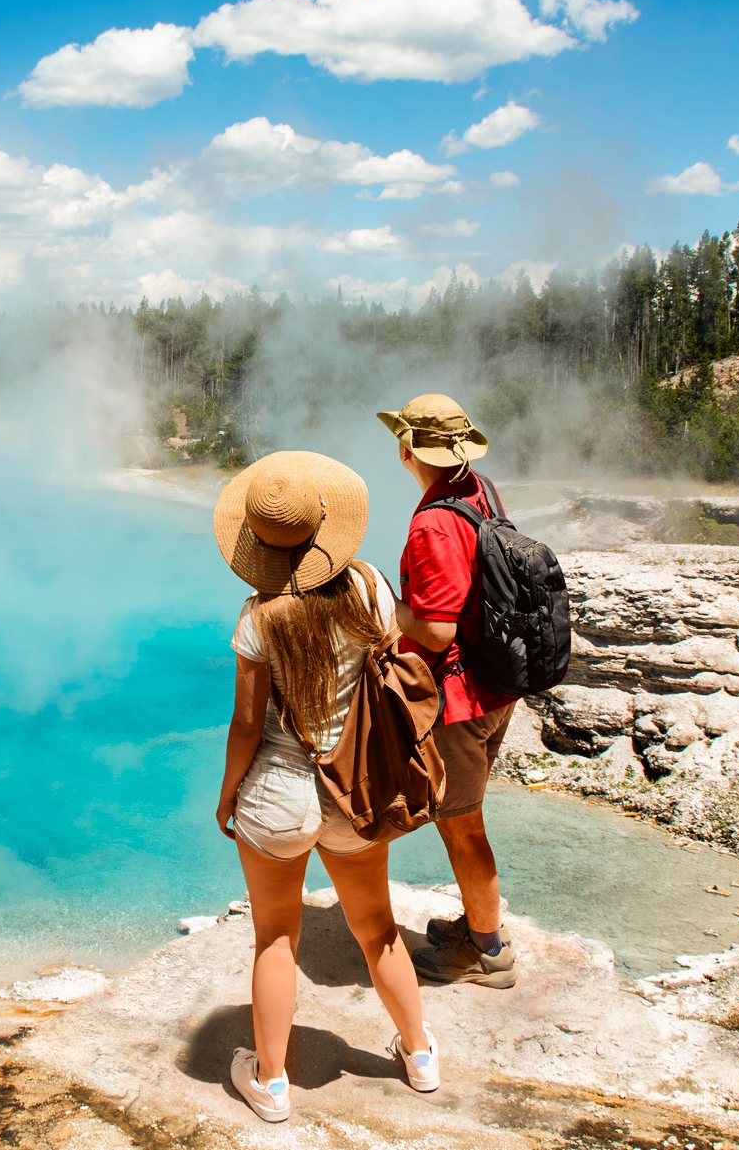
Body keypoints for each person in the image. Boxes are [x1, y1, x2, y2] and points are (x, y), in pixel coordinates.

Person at [211, 450, 441, 1123]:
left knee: (275, 937)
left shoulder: (258, 618)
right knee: (377, 928)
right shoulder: (368, 586)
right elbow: (390, 661)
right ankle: (420, 1053)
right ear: (324, 530)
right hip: (356, 788)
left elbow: (246, 726)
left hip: (277, 797)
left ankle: (272, 1082)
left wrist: (228, 795)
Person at [376, 394, 520, 989]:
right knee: (464, 819)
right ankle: (477, 925)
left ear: (407, 449)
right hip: (497, 682)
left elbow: (435, 630)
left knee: (462, 824)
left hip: (459, 700)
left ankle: (489, 953)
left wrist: (389, 607)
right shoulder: (477, 488)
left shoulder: (434, 520)